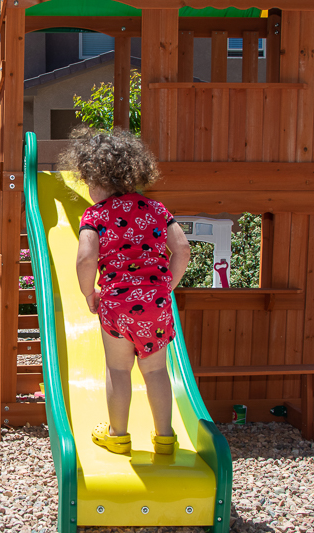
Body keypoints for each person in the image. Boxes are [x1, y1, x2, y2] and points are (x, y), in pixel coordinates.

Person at [66, 127, 191, 455]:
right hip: (156, 302)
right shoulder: (157, 209)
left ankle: (118, 436)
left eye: (89, 182)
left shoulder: (95, 215)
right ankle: (165, 438)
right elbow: (182, 250)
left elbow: (85, 258)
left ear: (99, 179)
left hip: (117, 304)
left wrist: (88, 293)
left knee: (119, 370)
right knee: (157, 370)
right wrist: (166, 287)